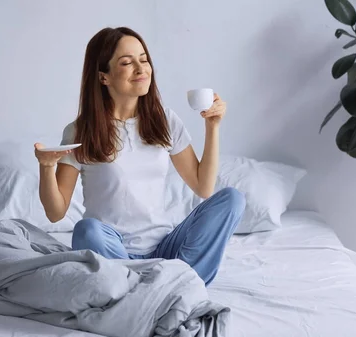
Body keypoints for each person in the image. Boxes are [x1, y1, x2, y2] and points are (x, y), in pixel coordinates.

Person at [34, 27, 245, 286]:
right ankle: (157, 287)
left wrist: (212, 127)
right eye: (126, 62)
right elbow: (56, 213)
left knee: (232, 199)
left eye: (143, 59)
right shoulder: (81, 130)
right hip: (113, 249)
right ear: (103, 77)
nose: (141, 68)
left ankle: (158, 286)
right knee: (87, 230)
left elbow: (204, 187)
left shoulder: (164, 120)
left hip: (164, 248)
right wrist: (46, 168)